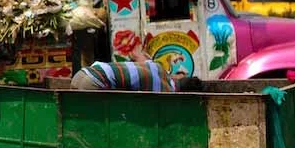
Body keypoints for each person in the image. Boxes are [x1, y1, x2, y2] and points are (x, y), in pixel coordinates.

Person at [71, 47, 203, 92]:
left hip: (82, 74)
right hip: (92, 83)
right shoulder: (164, 91)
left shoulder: (157, 67)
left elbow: (138, 56)